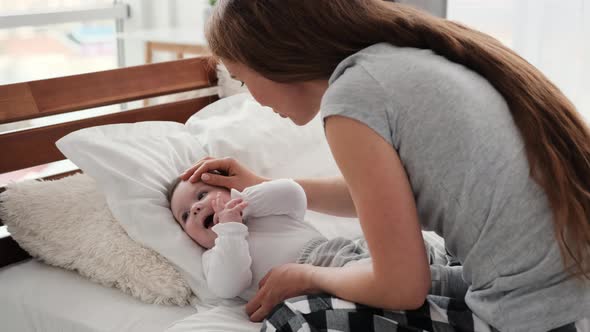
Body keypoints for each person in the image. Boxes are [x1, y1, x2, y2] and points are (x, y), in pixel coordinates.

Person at [179, 1, 590, 331]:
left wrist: (307, 275)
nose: (254, 98)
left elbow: (402, 287)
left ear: (270, 57)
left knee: (293, 316)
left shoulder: (351, 100)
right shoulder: (398, 62)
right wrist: (263, 184)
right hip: (571, 289)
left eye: (244, 79)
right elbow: (389, 194)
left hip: (543, 316)